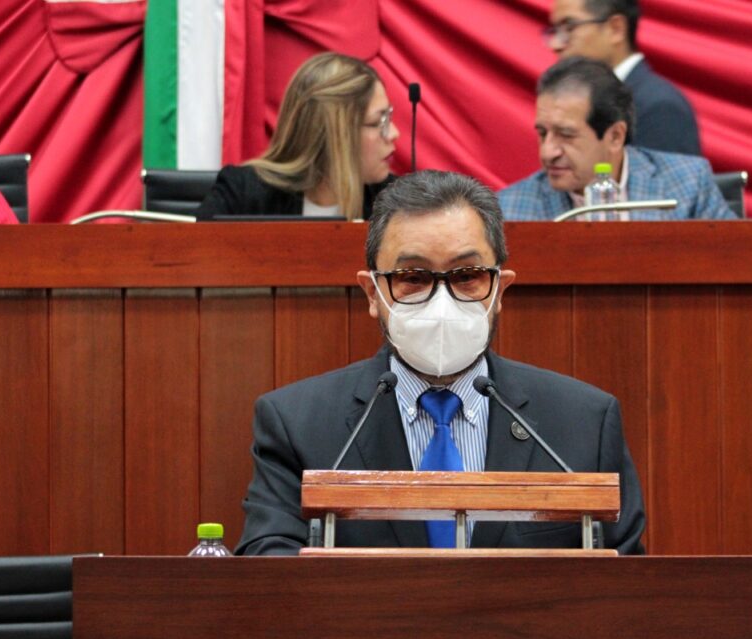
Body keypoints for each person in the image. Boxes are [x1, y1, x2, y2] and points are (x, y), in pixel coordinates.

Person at [236, 170, 646, 555]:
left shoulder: (583, 422)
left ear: (499, 290)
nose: (441, 300)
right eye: (413, 278)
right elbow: (273, 569)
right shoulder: (298, 424)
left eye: (467, 276)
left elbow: (626, 581)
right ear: (373, 293)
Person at [499, 57, 734, 221]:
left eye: (566, 135)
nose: (547, 152)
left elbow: (737, 264)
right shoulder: (511, 211)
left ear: (615, 136)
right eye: (543, 133)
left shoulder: (688, 184)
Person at [196, 52, 398, 221]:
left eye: (388, 117)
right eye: (377, 122)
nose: (394, 133)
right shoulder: (241, 194)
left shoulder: (397, 203)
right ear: (333, 134)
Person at [545, 0, 700, 156]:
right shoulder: (588, 101)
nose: (555, 44)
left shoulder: (659, 107)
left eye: (569, 27)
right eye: (555, 31)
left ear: (616, 29)